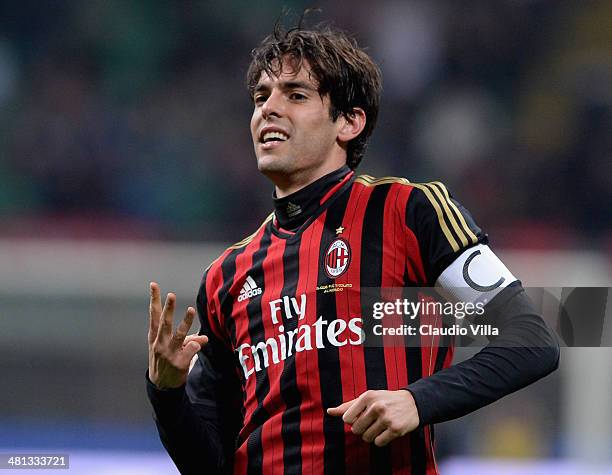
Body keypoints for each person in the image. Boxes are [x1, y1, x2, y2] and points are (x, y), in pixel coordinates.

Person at [146, 22, 559, 475]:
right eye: (261, 97)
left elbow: (531, 340)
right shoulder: (227, 276)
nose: (269, 110)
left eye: (296, 95)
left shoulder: (409, 211)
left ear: (349, 121)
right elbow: (212, 464)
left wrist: (417, 401)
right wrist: (166, 393)